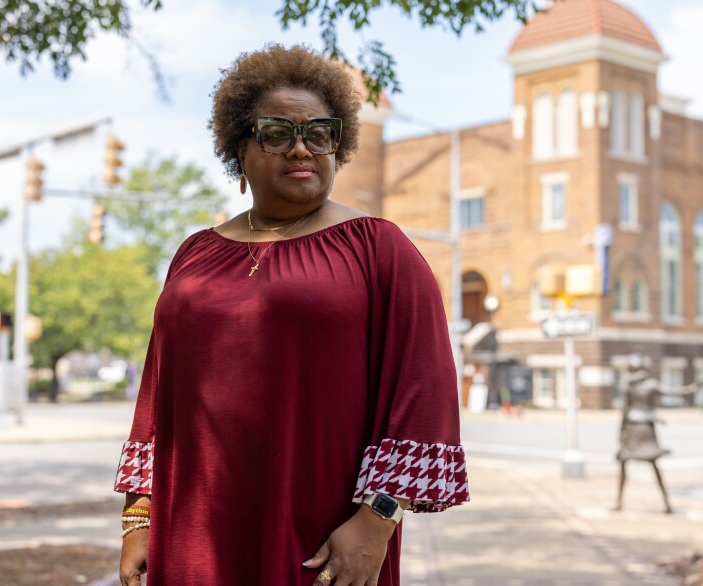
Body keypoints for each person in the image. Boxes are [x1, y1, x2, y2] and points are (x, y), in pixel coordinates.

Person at [115, 44, 469, 586]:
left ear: (338, 144)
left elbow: (425, 391)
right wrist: (139, 514)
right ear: (240, 149)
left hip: (320, 540)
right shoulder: (194, 254)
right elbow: (158, 394)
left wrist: (375, 525)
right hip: (192, 533)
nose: (301, 147)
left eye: (319, 133)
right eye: (277, 133)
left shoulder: (379, 248)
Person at [614, 354, 696, 514]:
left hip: (633, 427)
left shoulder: (629, 385)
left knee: (627, 464)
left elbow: (625, 411)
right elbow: (670, 392)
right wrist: (690, 389)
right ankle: (666, 503)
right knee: (651, 464)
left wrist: (621, 434)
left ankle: (620, 501)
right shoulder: (645, 384)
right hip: (643, 427)